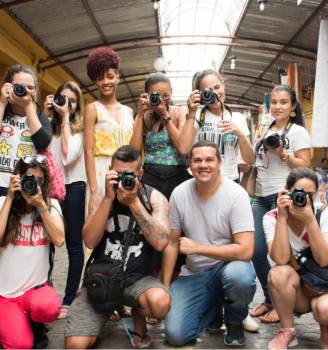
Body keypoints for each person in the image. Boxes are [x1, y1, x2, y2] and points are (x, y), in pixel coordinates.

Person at [65, 145, 171, 349]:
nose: (123, 180)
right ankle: (106, 310)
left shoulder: (154, 198)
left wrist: (134, 203)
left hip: (138, 278)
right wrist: (107, 199)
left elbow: (161, 242)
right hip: (102, 278)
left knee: (160, 303)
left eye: (128, 175)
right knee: (75, 345)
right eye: (118, 174)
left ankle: (137, 314)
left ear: (140, 173)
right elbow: (89, 241)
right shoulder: (100, 197)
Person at [163, 140, 256, 347]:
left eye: (209, 160)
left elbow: (246, 250)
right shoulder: (179, 193)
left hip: (228, 267)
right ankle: (213, 308)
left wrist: (197, 248)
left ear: (220, 163)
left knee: (240, 277)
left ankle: (234, 321)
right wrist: (166, 286)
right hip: (194, 273)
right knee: (175, 336)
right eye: (197, 160)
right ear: (190, 165)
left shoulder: (236, 194)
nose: (203, 165)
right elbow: (171, 243)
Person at [265, 167, 328, 350]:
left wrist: (310, 220)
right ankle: (287, 330)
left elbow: (325, 259)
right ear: (286, 191)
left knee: (327, 312)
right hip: (299, 291)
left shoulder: (327, 212)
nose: (303, 198)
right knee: (278, 273)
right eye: (298, 193)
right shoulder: (271, 217)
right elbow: (280, 259)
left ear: (318, 193)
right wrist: (282, 218)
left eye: (309, 194)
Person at [250, 85, 312, 323]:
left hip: (283, 196)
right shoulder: (265, 130)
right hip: (260, 196)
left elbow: (306, 167)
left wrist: (283, 154)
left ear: (293, 107)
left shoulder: (297, 132)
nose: (278, 106)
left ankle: (282, 305)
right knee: (255, 251)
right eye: (274, 102)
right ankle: (269, 298)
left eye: (283, 102)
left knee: (282, 256)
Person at [0, 155, 64, 349]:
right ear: (18, 178)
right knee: (20, 345)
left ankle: (34, 324)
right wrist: (10, 198)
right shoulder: (4, 201)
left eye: (38, 180)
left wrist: (41, 206)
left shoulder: (50, 206)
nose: (32, 184)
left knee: (49, 307)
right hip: (6, 295)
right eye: (29, 178)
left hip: (34, 292)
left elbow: (59, 240)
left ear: (44, 185)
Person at [44, 81, 86, 318]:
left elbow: (68, 156)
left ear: (77, 105)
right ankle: (46, 294)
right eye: (63, 98)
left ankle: (69, 299)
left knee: (73, 245)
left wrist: (64, 119)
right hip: (48, 190)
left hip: (73, 189)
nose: (66, 104)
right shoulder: (47, 125)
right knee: (46, 244)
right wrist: (44, 114)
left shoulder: (78, 128)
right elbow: (35, 148)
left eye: (72, 101)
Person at [179, 69, 254, 183]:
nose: (215, 93)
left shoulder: (238, 118)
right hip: (200, 181)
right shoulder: (197, 115)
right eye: (208, 91)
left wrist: (239, 134)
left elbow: (249, 159)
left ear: (223, 84)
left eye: (217, 87)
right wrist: (192, 112)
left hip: (229, 181)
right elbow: (184, 149)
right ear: (201, 94)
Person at [84, 47, 134, 215]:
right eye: (100, 78)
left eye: (110, 76)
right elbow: (88, 151)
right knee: (98, 226)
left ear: (118, 77)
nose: (106, 82)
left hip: (126, 172)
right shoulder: (92, 109)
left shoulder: (128, 111)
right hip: (100, 174)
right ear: (95, 82)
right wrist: (93, 190)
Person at [130, 72, 191, 199]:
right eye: (157, 96)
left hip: (177, 175)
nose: (162, 100)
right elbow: (134, 151)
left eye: (166, 96)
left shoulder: (180, 111)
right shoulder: (145, 116)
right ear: (147, 95)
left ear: (172, 92)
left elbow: (182, 147)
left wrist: (165, 116)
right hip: (150, 176)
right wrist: (140, 114)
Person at [0, 64, 52, 197]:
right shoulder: (1, 109)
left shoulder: (40, 117)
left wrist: (28, 105)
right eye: (20, 86)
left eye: (30, 88)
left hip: (26, 186)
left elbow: (42, 143)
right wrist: (2, 103)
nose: (26, 91)